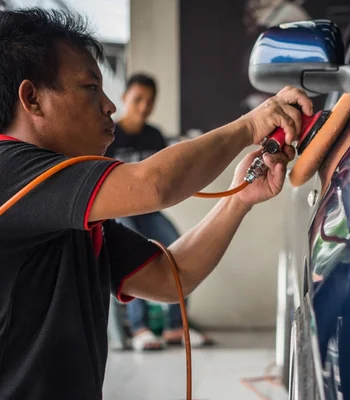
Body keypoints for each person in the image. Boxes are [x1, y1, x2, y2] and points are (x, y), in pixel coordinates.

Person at [0, 8, 311, 400]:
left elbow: (171, 277)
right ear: (32, 98)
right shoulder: (8, 171)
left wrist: (239, 199)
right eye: (90, 87)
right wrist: (250, 125)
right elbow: (154, 184)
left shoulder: (66, 209)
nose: (110, 106)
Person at [105, 74, 210, 351]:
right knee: (132, 255)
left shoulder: (155, 135)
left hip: (149, 211)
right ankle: (139, 328)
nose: (143, 106)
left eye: (149, 102)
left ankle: (176, 326)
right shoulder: (109, 134)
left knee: (175, 245)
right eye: (137, 99)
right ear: (125, 98)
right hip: (119, 211)